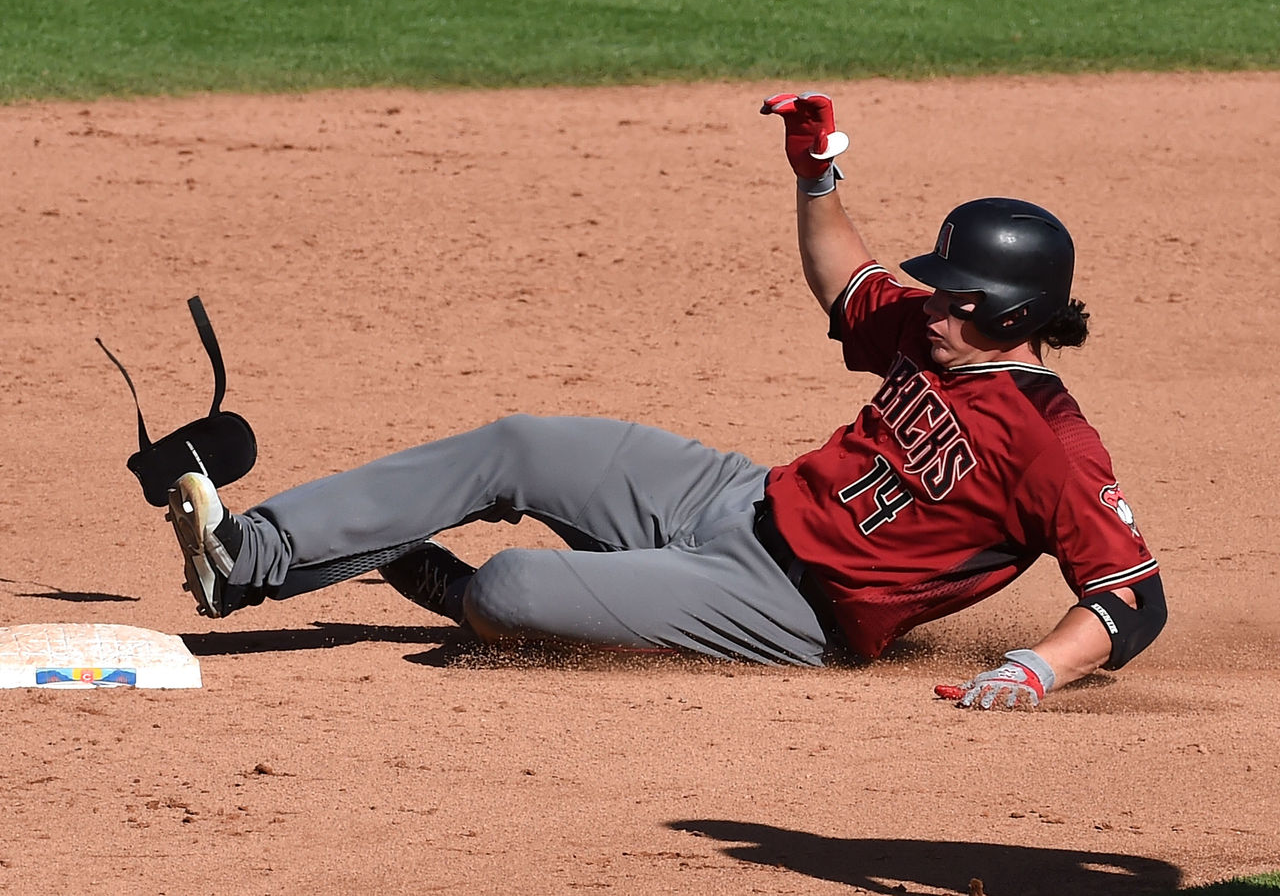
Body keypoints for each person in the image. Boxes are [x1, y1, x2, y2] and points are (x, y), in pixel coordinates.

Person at [164, 92, 1166, 710]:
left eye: (953, 295)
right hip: (732, 497)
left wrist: (1036, 669)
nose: (927, 305)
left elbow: (1129, 598)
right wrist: (817, 174)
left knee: (508, 588)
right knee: (519, 443)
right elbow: (846, 278)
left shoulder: (1052, 445)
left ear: (1014, 312)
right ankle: (247, 559)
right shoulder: (935, 334)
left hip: (787, 612)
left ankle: (455, 586)